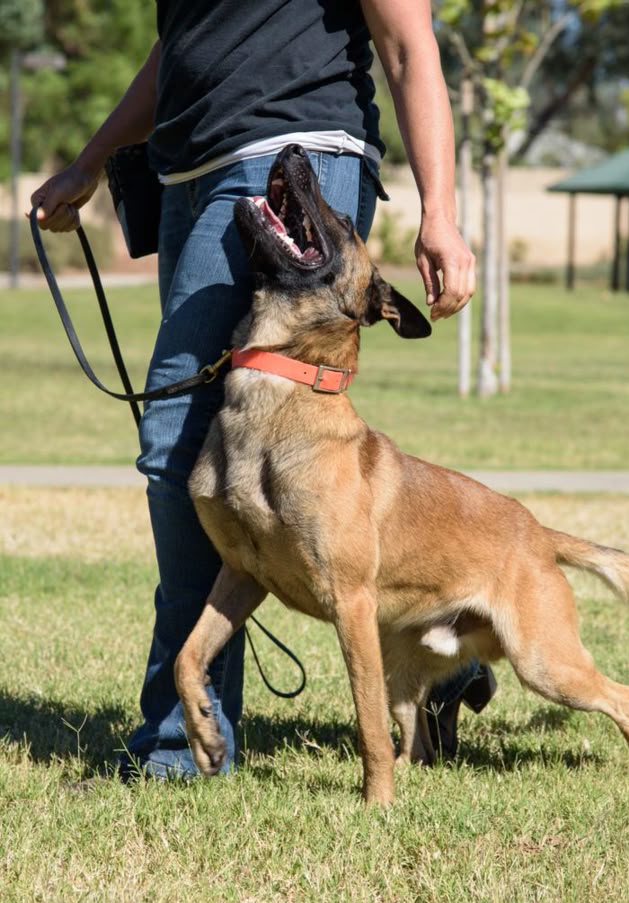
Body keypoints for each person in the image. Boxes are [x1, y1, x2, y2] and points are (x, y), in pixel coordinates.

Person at [31, 0, 493, 777]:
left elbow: (409, 41)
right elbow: (184, 44)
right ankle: (440, 648)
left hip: (289, 149)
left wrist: (440, 211)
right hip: (185, 172)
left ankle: (185, 743)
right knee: (201, 454)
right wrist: (92, 158)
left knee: (176, 440)